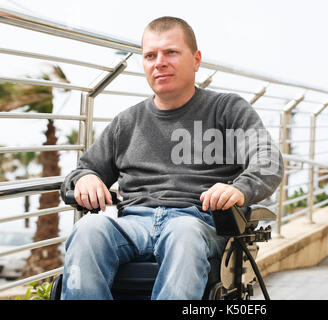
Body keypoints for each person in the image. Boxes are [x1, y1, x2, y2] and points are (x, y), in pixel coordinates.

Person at [60, 16, 284, 300]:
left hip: (197, 221)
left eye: (171, 52)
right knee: (89, 228)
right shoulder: (127, 122)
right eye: (150, 55)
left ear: (196, 59)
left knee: (183, 231)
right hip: (133, 224)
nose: (159, 62)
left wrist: (238, 189)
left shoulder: (226, 109)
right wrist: (86, 178)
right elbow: (83, 170)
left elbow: (269, 160)